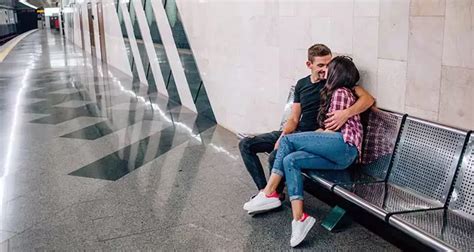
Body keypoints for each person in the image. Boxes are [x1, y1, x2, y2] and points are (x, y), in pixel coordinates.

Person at [243, 56, 364, 247]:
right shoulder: (332, 91)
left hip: (345, 147)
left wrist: (306, 138)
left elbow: (332, 130)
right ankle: (299, 219)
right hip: (338, 154)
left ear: (336, 73)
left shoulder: (341, 92)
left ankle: (269, 193)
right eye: (322, 67)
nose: (325, 71)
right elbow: (326, 130)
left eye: (329, 68)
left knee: (288, 141)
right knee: (291, 160)